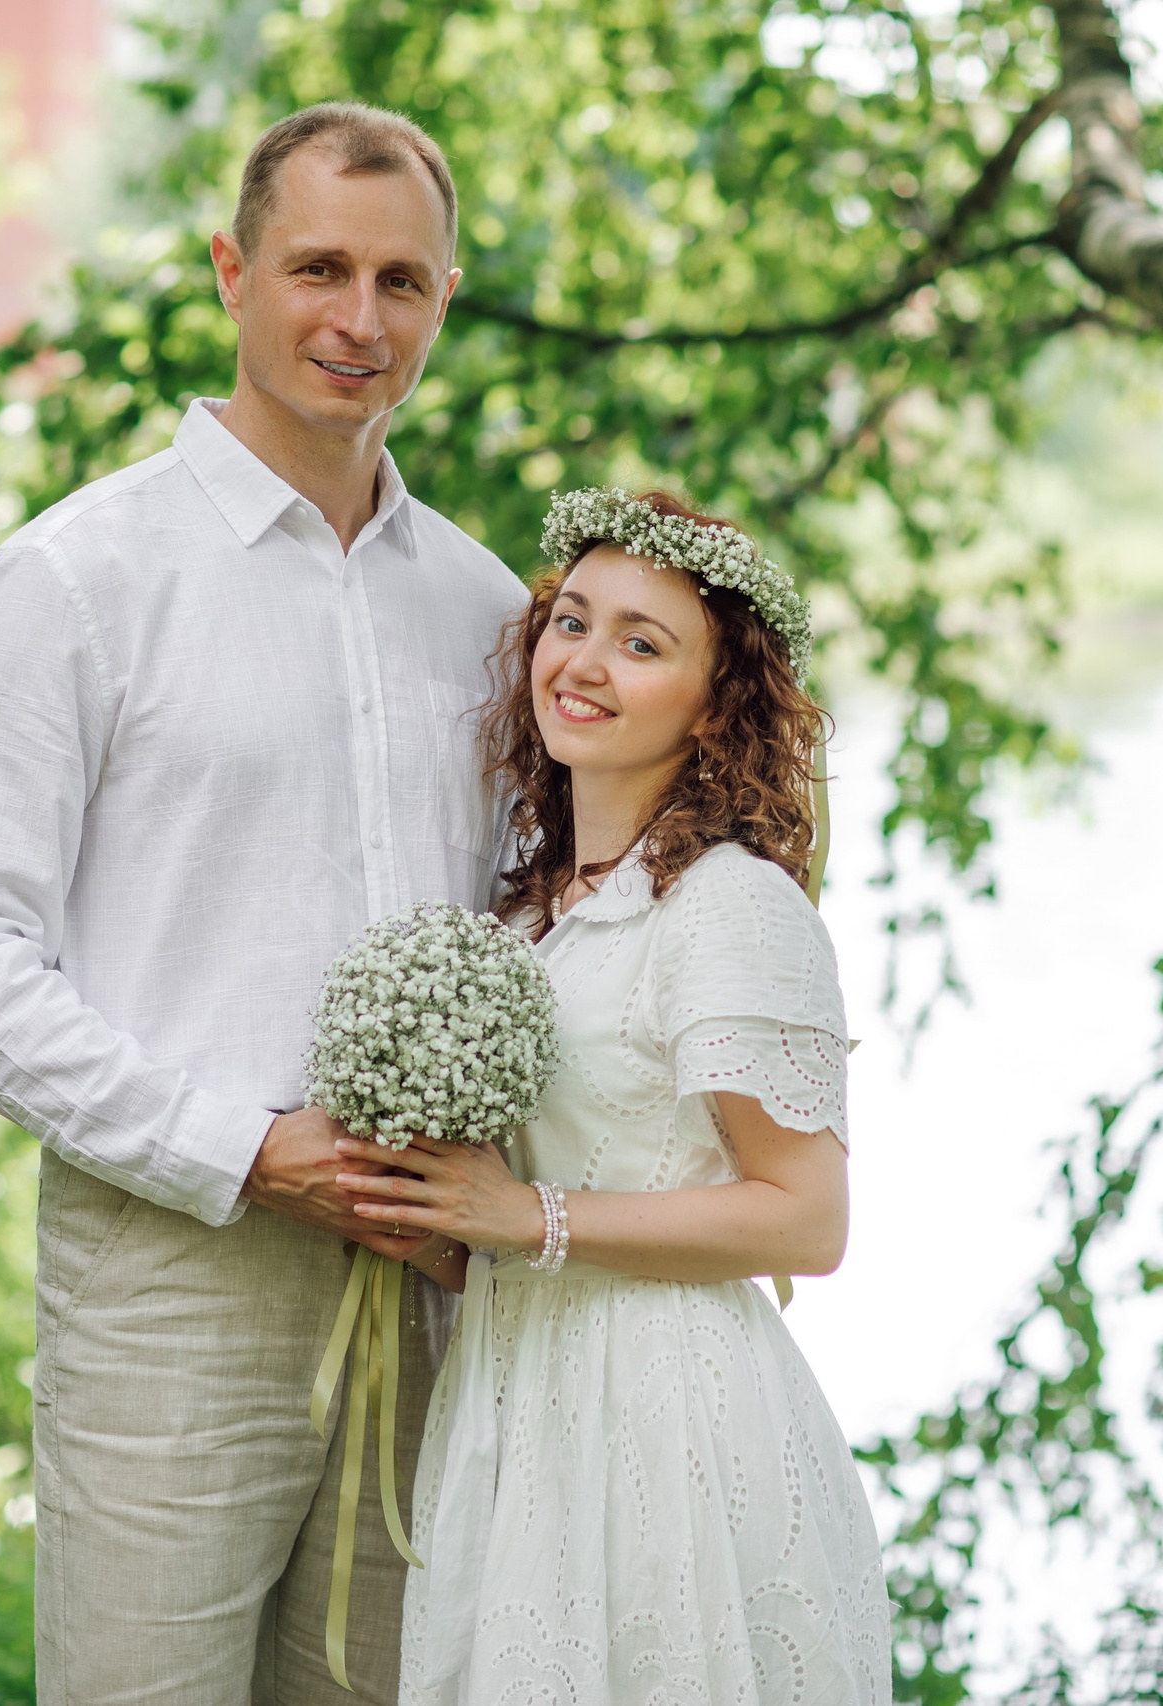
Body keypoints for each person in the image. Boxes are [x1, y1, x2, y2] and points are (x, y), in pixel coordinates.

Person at [0, 104, 524, 1704]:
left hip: (434, 1284)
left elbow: (542, 933)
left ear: (445, 298)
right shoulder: (79, 579)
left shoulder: (494, 611)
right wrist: (238, 1147)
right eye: (318, 269)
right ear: (233, 273)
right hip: (174, 1267)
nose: (358, 319)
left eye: (401, 281)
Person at [334, 489, 892, 1703]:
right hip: (519, 1401)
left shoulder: (731, 904)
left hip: (669, 1418)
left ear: (715, 702)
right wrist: (423, 1213)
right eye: (572, 621)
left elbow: (806, 1218)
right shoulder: (533, 912)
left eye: (642, 643)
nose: (584, 662)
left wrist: (524, 1215)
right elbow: (524, 1207)